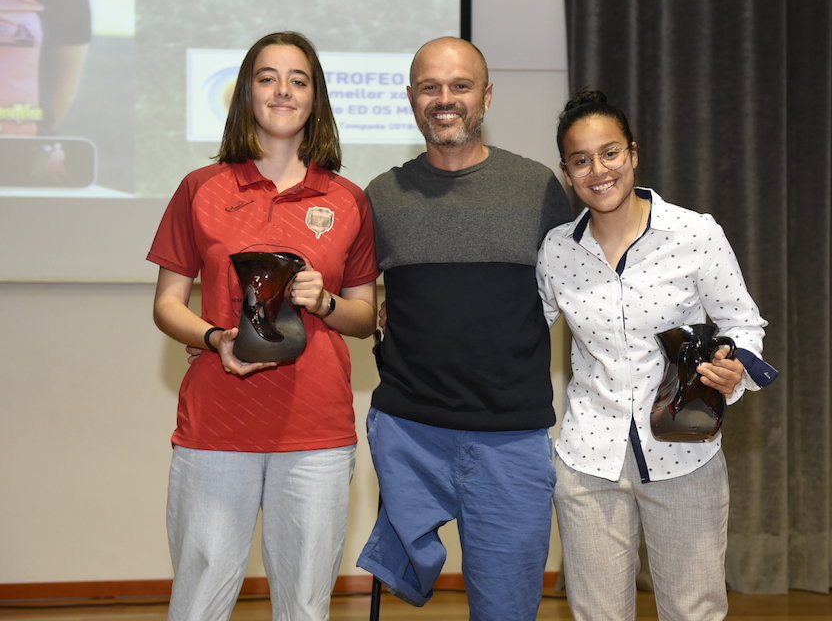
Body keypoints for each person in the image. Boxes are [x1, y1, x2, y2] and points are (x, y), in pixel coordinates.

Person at [146, 31, 378, 621]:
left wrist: (323, 301)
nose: (283, 91)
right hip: (216, 427)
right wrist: (216, 338)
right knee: (199, 603)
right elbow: (168, 305)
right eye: (268, 77)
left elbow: (364, 315)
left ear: (315, 97)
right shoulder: (201, 188)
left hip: (315, 434)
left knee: (304, 606)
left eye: (298, 80)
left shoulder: (348, 199)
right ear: (247, 92)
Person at [536, 90, 777, 620]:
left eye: (610, 153)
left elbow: (743, 321)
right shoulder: (556, 249)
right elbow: (523, 332)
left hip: (685, 451)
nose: (598, 170)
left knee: (695, 611)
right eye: (581, 160)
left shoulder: (695, 233)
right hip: (587, 461)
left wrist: (734, 369)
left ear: (633, 153)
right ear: (567, 172)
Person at [355, 36, 572, 620]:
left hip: (511, 436)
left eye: (460, 85)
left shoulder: (537, 190)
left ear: (487, 96)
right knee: (397, 573)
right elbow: (351, 295)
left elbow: (584, 286)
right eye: (429, 87)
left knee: (506, 608)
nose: (444, 99)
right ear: (410, 98)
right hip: (409, 431)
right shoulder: (381, 195)